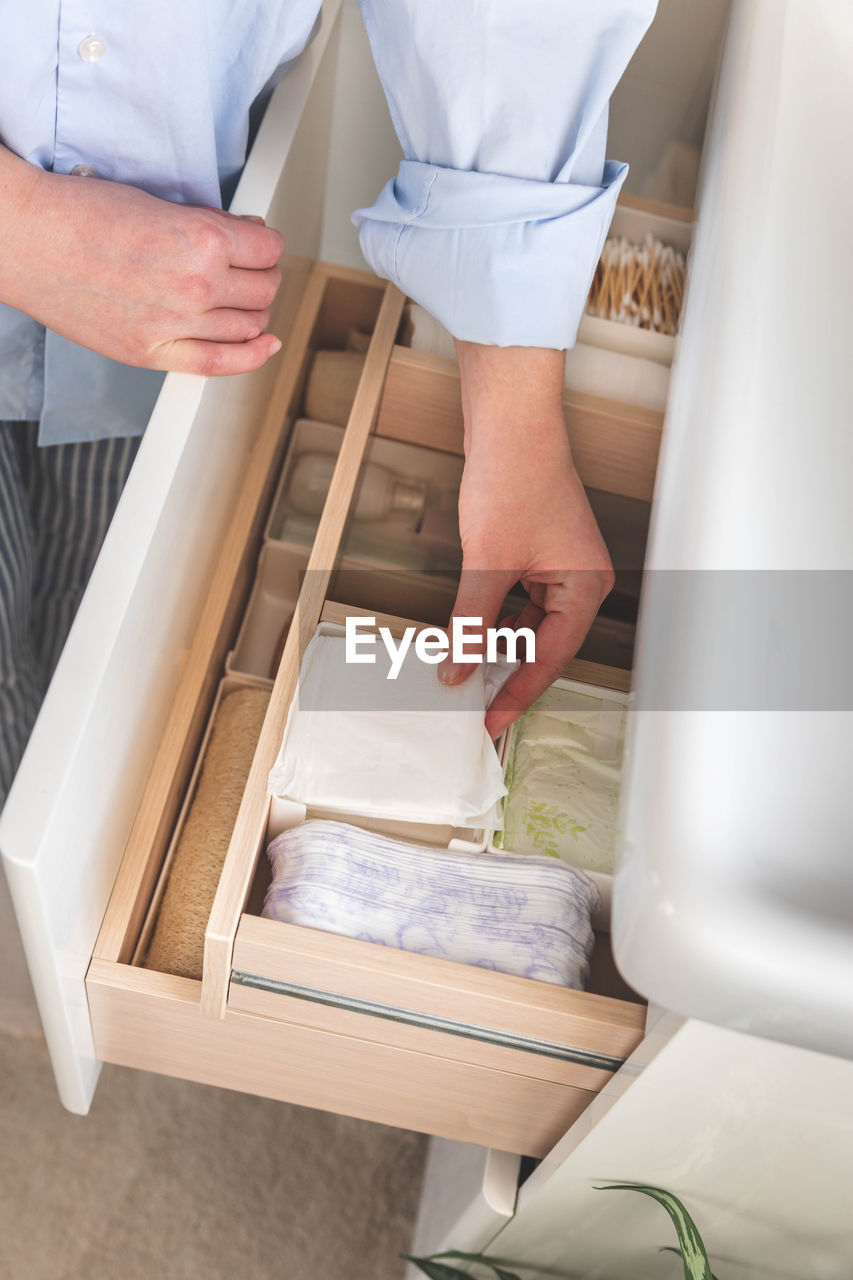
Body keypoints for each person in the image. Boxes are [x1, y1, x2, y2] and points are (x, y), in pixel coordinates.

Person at [0, 0, 657, 806]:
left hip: (173, 317)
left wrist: (518, 431)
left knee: (78, 716)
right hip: (175, 291)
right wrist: (20, 230)